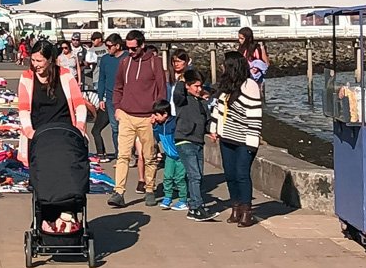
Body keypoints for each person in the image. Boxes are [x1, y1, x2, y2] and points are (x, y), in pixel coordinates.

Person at [17, 40, 90, 232]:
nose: (36, 65)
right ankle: (46, 216)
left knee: (68, 171)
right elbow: (23, 108)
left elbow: (79, 104)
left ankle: (68, 212)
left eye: (40, 61)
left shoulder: (65, 76)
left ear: (51, 60)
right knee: (44, 175)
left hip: (65, 134)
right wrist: (29, 131)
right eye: (33, 60)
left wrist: (80, 127)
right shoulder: (26, 78)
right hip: (39, 135)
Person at [109, 30, 166, 207]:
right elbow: (117, 86)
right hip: (126, 114)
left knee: (149, 156)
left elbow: (161, 89)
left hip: (147, 117)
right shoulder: (125, 62)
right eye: (128, 48)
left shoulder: (155, 63)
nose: (130, 52)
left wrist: (158, 114)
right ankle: (119, 191)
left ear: (142, 45)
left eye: (133, 48)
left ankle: (149, 188)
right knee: (123, 155)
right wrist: (117, 107)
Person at [216, 50, 263, 227]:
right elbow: (219, 109)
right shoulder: (226, 85)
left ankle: (247, 210)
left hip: (245, 138)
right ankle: (235, 206)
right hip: (227, 136)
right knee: (230, 174)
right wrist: (215, 129)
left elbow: (255, 115)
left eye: (225, 64)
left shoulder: (249, 85)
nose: (222, 67)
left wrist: (252, 140)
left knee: (242, 174)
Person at [173, 69, 211, 220]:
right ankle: (197, 206)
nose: (199, 89)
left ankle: (194, 206)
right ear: (187, 86)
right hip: (184, 139)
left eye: (200, 86)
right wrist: (182, 80)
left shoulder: (202, 102)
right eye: (195, 86)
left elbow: (207, 121)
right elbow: (178, 94)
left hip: (198, 141)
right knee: (194, 174)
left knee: (199, 176)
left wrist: (212, 131)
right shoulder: (182, 100)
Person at [92, 33, 123, 159]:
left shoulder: (127, 58)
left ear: (118, 46)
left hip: (126, 97)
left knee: (127, 128)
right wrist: (100, 98)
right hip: (110, 98)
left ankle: (129, 153)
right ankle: (119, 155)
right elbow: (101, 80)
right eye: (106, 46)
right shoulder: (105, 59)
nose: (107, 48)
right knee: (115, 128)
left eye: (110, 46)